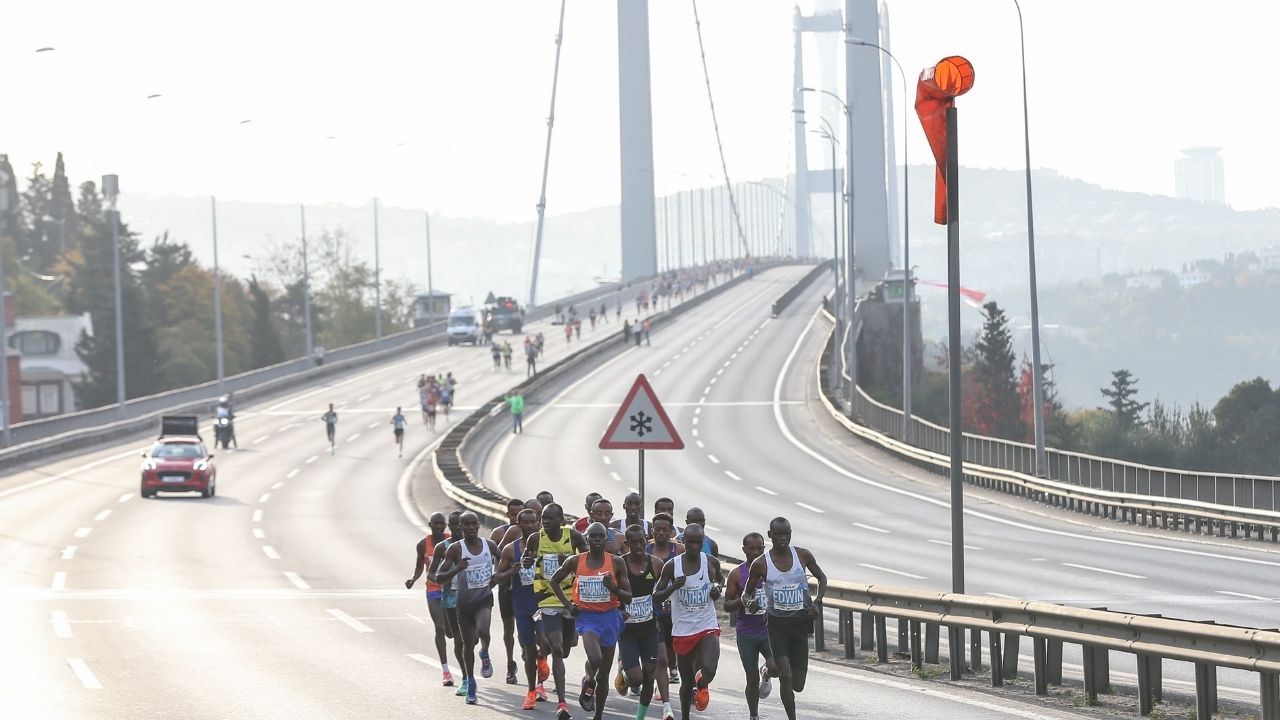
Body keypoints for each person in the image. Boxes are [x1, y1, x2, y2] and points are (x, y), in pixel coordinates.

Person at [743, 517, 828, 720]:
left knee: (798, 685)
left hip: (800, 624)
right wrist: (749, 603)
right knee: (785, 676)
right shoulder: (761, 563)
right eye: (778, 535)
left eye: (786, 534)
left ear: (790, 534)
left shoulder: (803, 555)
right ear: (770, 535)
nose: (783, 538)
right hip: (776, 625)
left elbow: (822, 578)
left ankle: (766, 670)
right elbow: (746, 594)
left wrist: (817, 602)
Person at [550, 522, 631, 720]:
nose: (596, 539)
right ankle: (588, 678)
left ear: (606, 539)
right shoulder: (575, 561)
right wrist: (568, 606)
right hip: (587, 618)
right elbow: (554, 580)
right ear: (587, 539)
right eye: (592, 536)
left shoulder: (617, 562)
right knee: (595, 659)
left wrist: (613, 588)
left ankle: (598, 716)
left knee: (604, 675)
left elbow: (628, 597)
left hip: (610, 618)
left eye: (600, 536)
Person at [523, 503, 588, 720]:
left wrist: (570, 564)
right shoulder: (535, 539)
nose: (546, 522)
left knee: (567, 647)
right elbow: (526, 560)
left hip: (571, 599)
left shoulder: (574, 537)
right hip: (547, 599)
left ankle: (542, 656)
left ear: (561, 520)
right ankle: (562, 704)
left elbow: (589, 563)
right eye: (544, 518)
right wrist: (527, 561)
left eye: (551, 518)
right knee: (558, 648)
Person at [653, 524, 723, 719]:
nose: (694, 546)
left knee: (709, 668)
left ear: (702, 542)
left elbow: (720, 579)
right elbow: (656, 596)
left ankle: (702, 684)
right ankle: (685, 715)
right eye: (690, 542)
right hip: (682, 629)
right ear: (683, 542)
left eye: (698, 542)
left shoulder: (710, 561)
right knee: (686, 682)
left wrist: (717, 588)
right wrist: (672, 587)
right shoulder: (672, 566)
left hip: (706, 624)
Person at [435, 512, 499, 706]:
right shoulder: (455, 549)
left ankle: (485, 652)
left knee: (483, 630)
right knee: (467, 645)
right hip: (463, 604)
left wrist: (497, 575)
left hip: (483, 600)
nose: (471, 528)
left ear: (478, 525)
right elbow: (439, 577)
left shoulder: (489, 545)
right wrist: (457, 568)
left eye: (474, 524)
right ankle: (470, 681)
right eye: (467, 525)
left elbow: (504, 561)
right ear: (460, 527)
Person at [494, 508, 549, 709]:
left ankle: (543, 658)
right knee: (528, 650)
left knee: (545, 641)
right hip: (522, 604)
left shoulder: (547, 546)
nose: (529, 525)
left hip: (543, 603)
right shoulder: (510, 549)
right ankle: (532, 691)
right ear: (518, 524)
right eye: (524, 522)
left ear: (538, 523)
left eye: (533, 522)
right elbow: (497, 577)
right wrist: (512, 570)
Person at [723, 532, 776, 720]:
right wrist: (743, 602)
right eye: (751, 549)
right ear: (744, 550)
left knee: (776, 667)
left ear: (764, 548)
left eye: (759, 548)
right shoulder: (737, 574)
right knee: (751, 678)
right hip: (746, 633)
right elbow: (726, 605)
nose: (755, 552)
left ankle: (767, 673)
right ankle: (754, 715)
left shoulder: (772, 570)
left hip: (769, 631)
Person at [616, 525, 664, 720]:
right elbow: (612, 593)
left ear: (647, 541)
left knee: (649, 677)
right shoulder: (620, 564)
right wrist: (619, 610)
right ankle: (624, 672)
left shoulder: (657, 564)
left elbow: (663, 590)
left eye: (642, 541)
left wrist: (665, 604)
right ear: (627, 544)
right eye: (633, 542)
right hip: (627, 631)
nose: (638, 546)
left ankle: (640, 717)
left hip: (649, 629)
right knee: (636, 679)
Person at [405, 512, 456, 686]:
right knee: (440, 627)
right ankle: (446, 671)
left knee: (451, 631)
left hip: (451, 588)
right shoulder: (423, 544)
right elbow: (420, 566)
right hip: (433, 589)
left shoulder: (452, 541)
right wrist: (413, 579)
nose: (440, 526)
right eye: (436, 523)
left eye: (443, 523)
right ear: (430, 524)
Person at [647, 513, 684, 719]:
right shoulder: (645, 550)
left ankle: (673, 674)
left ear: (671, 532)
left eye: (665, 530)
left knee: (674, 652)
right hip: (653, 611)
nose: (660, 533)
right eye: (657, 529)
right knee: (660, 657)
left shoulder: (678, 550)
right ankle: (666, 703)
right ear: (652, 531)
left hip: (676, 611)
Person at [427, 512, 467, 692]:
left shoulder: (477, 545)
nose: (458, 527)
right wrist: (446, 577)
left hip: (471, 598)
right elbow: (431, 573)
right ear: (449, 526)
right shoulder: (442, 548)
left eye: (460, 524)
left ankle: (471, 672)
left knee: (472, 639)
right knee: (452, 636)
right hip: (448, 597)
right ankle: (461, 676)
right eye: (454, 524)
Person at [490, 498, 528, 685]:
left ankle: (526, 648)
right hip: (506, 586)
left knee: (525, 626)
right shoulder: (499, 533)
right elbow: (494, 557)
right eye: (513, 514)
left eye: (519, 514)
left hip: (524, 587)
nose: (516, 518)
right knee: (508, 627)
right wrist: (502, 574)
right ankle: (510, 663)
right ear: (508, 514)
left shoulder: (532, 535)